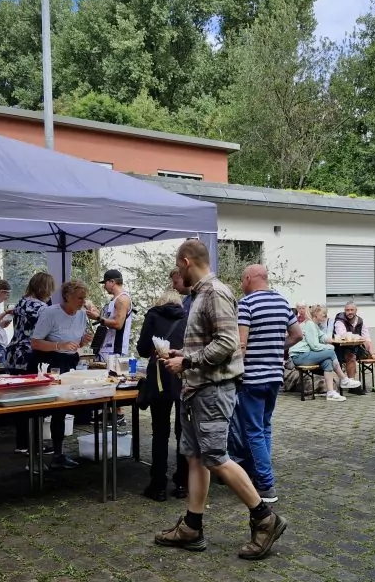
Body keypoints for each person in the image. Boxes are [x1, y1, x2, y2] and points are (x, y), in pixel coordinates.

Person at [155, 239, 288, 560]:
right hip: (198, 389)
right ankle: (192, 527)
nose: (178, 273)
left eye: (178, 267)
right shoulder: (201, 294)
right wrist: (182, 353)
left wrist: (188, 361)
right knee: (196, 456)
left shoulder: (215, 292)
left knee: (215, 456)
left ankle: (265, 519)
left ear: (186, 262)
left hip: (213, 390)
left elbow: (228, 343)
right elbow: (211, 342)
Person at [230, 264, 302, 503]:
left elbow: (241, 345)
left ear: (249, 278)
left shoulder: (246, 303)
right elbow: (297, 335)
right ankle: (261, 474)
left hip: (252, 378)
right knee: (265, 427)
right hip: (274, 377)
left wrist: (232, 371)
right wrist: (276, 347)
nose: (242, 284)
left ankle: (265, 485)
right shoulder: (282, 302)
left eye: (242, 280)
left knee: (253, 431)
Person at [30, 280, 93, 469]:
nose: (83, 302)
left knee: (61, 409)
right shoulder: (50, 313)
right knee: (42, 408)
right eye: (79, 298)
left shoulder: (82, 314)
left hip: (69, 362)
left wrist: (83, 341)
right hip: (49, 362)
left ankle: (58, 454)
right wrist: (59, 345)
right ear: (67, 296)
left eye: (84, 298)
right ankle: (34, 455)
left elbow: (75, 343)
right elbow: (35, 342)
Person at [136, 291, 187, 501]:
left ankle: (158, 486)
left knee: (160, 431)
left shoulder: (153, 315)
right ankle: (182, 483)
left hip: (159, 376)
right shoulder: (187, 316)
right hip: (183, 375)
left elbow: (142, 349)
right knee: (183, 432)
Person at [5, 272, 56, 455]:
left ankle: (22, 443)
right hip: (30, 355)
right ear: (45, 288)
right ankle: (34, 444)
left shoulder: (21, 302)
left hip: (14, 354)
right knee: (34, 400)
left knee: (20, 401)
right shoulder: (41, 308)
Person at [289, 305, 361, 401]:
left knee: (327, 361)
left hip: (306, 354)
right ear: (316, 314)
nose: (325, 316)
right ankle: (344, 379)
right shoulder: (310, 325)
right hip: (299, 356)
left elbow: (323, 337)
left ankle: (330, 392)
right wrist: (329, 347)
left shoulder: (314, 325)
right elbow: (314, 346)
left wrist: (339, 338)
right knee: (330, 352)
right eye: (324, 314)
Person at [333, 301, 375, 385]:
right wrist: (358, 337)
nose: (350, 312)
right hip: (342, 350)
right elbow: (343, 335)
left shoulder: (360, 321)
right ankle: (352, 385)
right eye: (347, 310)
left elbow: (367, 339)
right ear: (344, 311)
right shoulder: (340, 321)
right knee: (351, 356)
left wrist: (372, 353)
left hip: (358, 349)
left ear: (356, 310)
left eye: (352, 310)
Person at [86, 269, 133, 361]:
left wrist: (97, 318)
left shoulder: (122, 299)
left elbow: (118, 324)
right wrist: (94, 311)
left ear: (112, 282)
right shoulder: (113, 300)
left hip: (114, 350)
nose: (104, 287)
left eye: (105, 283)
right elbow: (106, 319)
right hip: (104, 348)